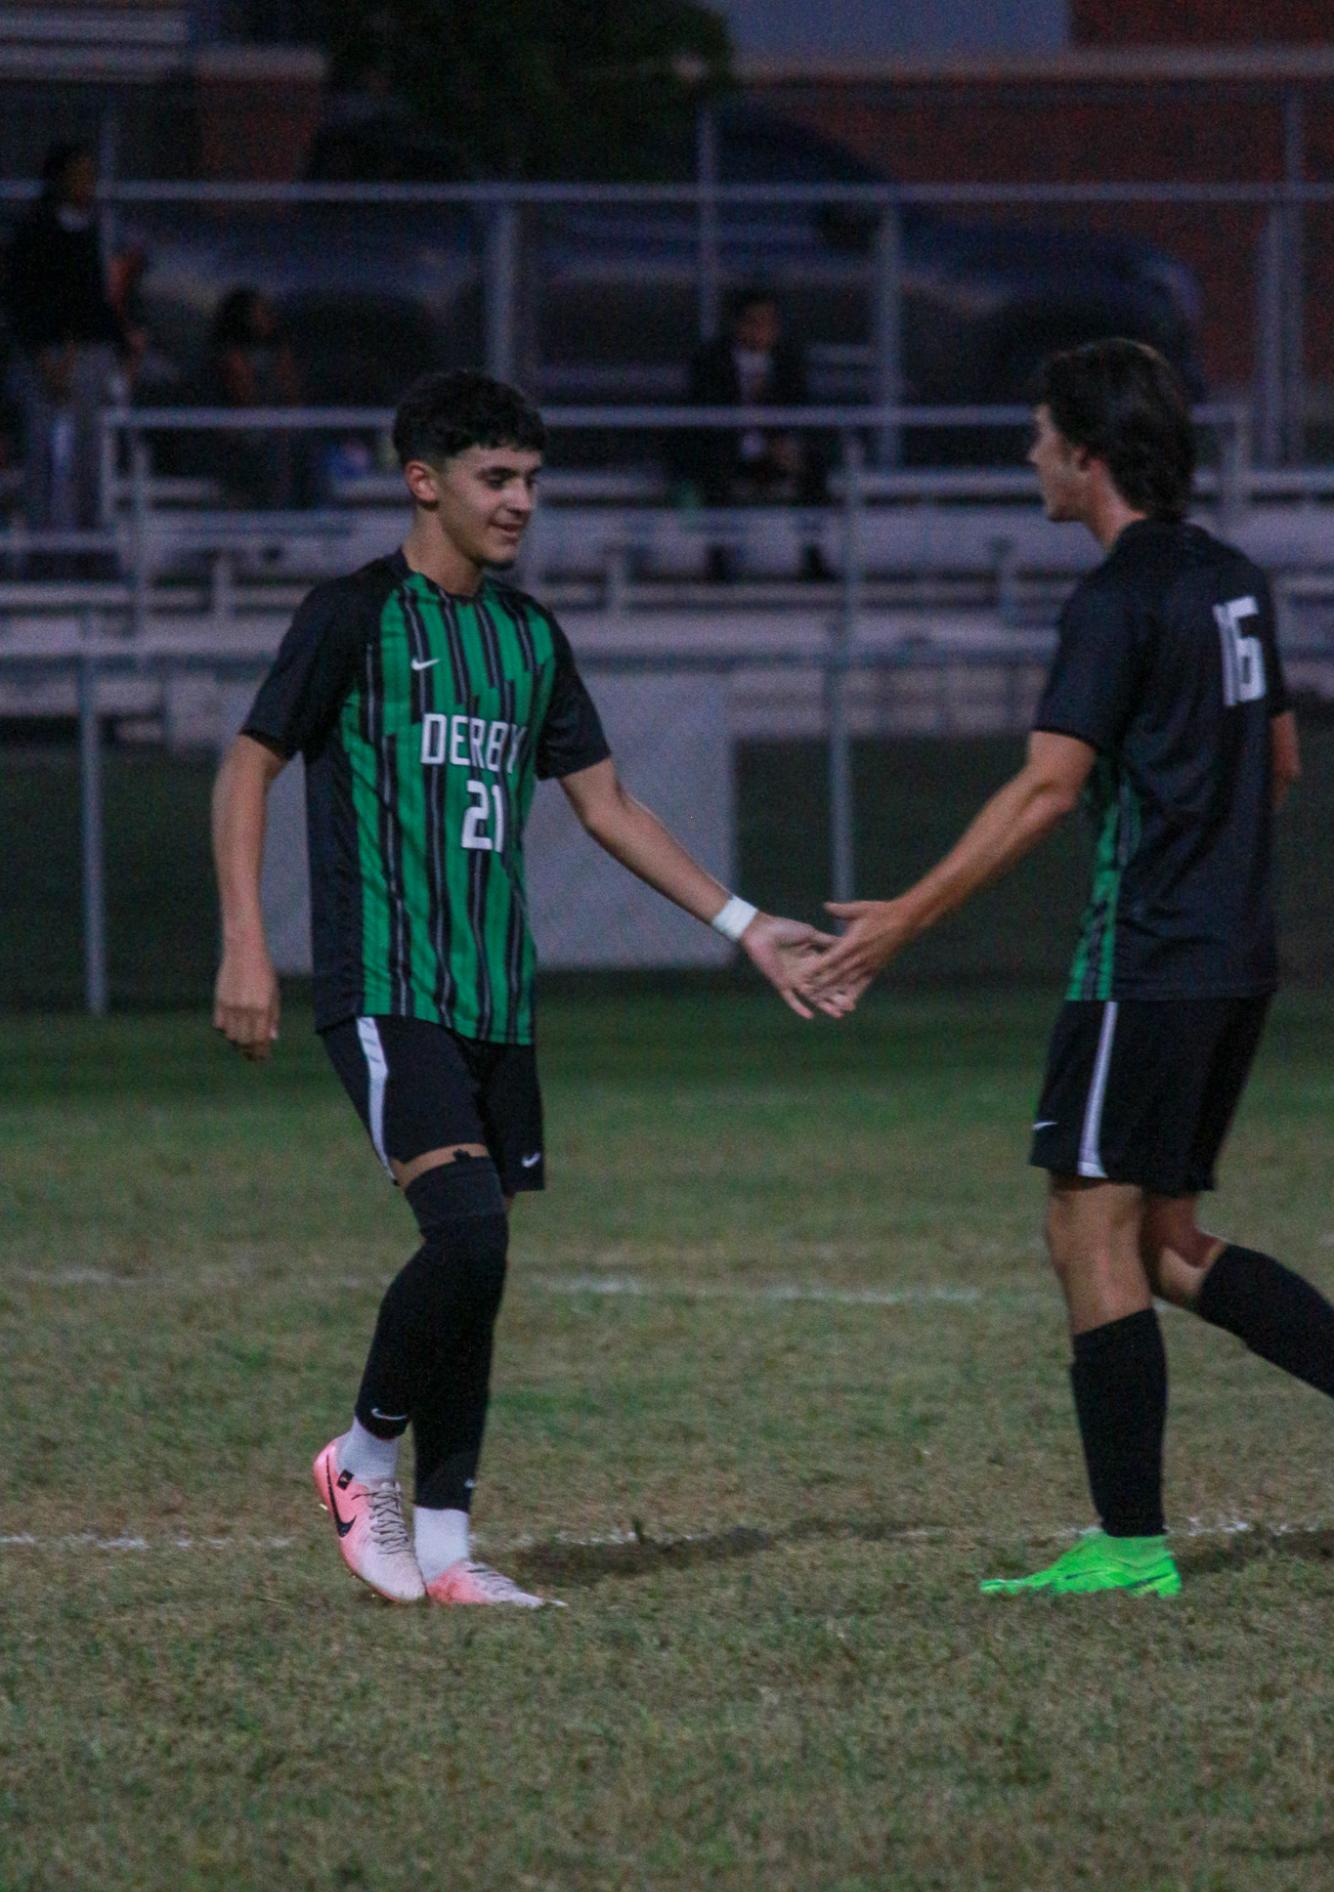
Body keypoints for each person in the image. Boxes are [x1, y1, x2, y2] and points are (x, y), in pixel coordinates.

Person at [212, 368, 846, 1611]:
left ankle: (446, 1547)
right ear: (424, 482)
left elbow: (607, 807)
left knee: (481, 1268)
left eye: (531, 483)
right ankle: (361, 1456)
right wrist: (245, 940)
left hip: (495, 996)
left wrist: (743, 923)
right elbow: (248, 766)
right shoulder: (352, 617)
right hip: (389, 985)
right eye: (496, 480)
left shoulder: (526, 639)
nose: (519, 504)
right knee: (469, 1235)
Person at [808, 338, 1332, 1599]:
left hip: (1141, 963)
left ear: (1088, 456)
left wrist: (901, 920)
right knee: (1159, 1241)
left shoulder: (1111, 601)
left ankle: (1129, 1546)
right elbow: (1278, 764)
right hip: (1234, 959)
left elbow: (1045, 787)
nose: (1028, 455)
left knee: (1079, 1228)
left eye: (1041, 436)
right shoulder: (1234, 580)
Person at [4, 142, 141, 549]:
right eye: (79, 174)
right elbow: (25, 302)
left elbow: (99, 302)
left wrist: (119, 350)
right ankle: (44, 547)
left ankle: (88, 545)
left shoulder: (98, 229)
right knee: (45, 455)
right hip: (45, 358)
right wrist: (48, 359)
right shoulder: (36, 230)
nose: (88, 183)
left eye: (91, 174)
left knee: (89, 457)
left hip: (90, 355)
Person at [679, 286, 832, 583]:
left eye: (770, 322)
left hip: (776, 450)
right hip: (728, 450)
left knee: (814, 464)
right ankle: (719, 563)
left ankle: (813, 557)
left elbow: (800, 407)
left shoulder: (788, 359)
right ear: (738, 324)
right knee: (714, 466)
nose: (763, 330)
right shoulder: (712, 359)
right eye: (755, 321)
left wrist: (779, 439)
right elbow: (706, 413)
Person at [202, 286, 307, 508]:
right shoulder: (229, 355)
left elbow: (293, 398)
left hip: (276, 431)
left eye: (268, 312)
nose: (267, 318)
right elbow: (245, 400)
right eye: (260, 312)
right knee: (272, 453)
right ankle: (277, 516)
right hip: (242, 437)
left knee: (306, 448)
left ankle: (318, 516)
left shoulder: (279, 352)